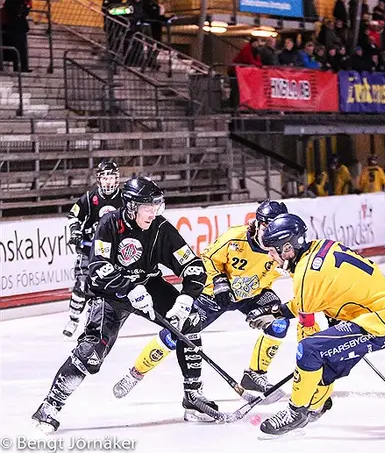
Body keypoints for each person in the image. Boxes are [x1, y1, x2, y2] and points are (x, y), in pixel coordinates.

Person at [32, 177, 220, 434]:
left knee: (190, 322)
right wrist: (129, 288)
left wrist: (186, 299)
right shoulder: (109, 224)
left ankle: (193, 396)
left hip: (149, 285)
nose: (154, 212)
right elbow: (97, 268)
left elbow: (194, 267)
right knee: (91, 353)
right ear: (131, 206)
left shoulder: (160, 228)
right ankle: (49, 406)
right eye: (148, 207)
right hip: (111, 293)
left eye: (157, 206)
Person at [244, 213, 385, 436]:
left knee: (311, 349)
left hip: (380, 322)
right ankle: (316, 404)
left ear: (287, 249)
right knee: (324, 358)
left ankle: (296, 412)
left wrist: (303, 366)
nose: (272, 258)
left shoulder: (306, 275)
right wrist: (278, 311)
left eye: (273, 251)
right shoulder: (322, 246)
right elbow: (323, 294)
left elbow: (308, 329)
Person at [112, 200, 291, 403]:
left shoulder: (284, 248)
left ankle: (255, 374)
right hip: (213, 295)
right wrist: (219, 280)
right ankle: (135, 373)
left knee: (279, 321)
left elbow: (303, 278)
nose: (270, 234)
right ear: (257, 223)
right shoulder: (235, 237)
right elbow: (206, 258)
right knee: (176, 332)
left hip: (254, 294)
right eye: (266, 226)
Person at [64, 161, 123, 337]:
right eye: (105, 177)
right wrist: (75, 231)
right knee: (82, 284)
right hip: (89, 249)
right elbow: (73, 215)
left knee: (107, 289)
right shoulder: (90, 198)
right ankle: (73, 319)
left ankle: (101, 322)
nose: (108, 181)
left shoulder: (124, 199)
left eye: (111, 177)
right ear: (99, 179)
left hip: (112, 253)